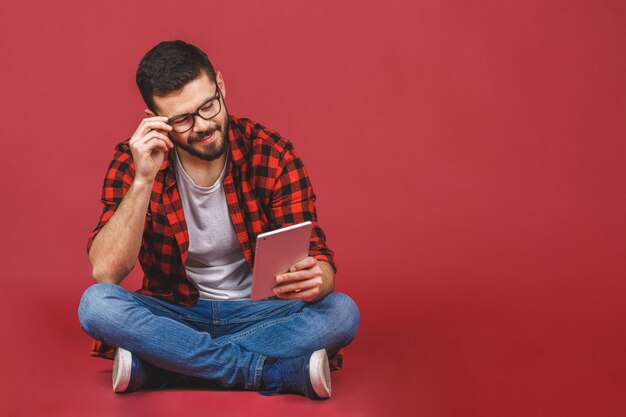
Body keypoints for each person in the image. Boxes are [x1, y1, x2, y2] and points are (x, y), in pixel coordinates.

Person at [77, 40, 360, 400]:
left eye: (208, 106)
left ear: (221, 86)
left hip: (260, 313)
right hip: (176, 313)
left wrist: (317, 278)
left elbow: (320, 261)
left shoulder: (271, 153)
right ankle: (268, 372)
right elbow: (106, 272)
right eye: (182, 119)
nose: (203, 126)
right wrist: (143, 180)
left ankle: (165, 364)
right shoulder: (133, 162)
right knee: (96, 304)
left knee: (341, 312)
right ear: (154, 119)